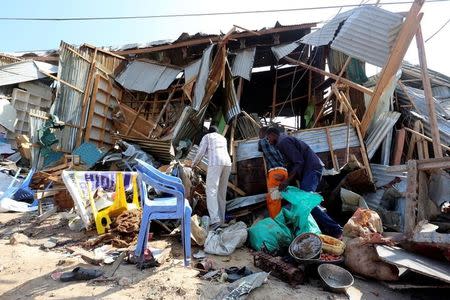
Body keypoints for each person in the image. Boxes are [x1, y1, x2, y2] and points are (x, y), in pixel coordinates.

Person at [266, 127, 343, 238]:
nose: (268, 141)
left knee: (306, 202)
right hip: (309, 170)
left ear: (273, 134)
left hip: (311, 169)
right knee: (306, 201)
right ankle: (327, 229)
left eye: (268, 138)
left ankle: (336, 230)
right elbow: (294, 163)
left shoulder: (283, 142)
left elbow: (299, 162)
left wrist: (287, 181)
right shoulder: (282, 143)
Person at [190, 125, 231, 230]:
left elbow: (200, 152)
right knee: (221, 193)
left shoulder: (207, 136)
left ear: (209, 131)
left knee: (211, 191)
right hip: (227, 164)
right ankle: (221, 220)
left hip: (215, 163)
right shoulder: (223, 138)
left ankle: (215, 220)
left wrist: (193, 164)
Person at [258, 127, 288, 218]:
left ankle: (277, 223)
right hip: (284, 172)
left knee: (274, 200)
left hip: (275, 172)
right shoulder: (279, 142)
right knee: (281, 197)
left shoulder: (263, 142)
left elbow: (260, 147)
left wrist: (262, 137)